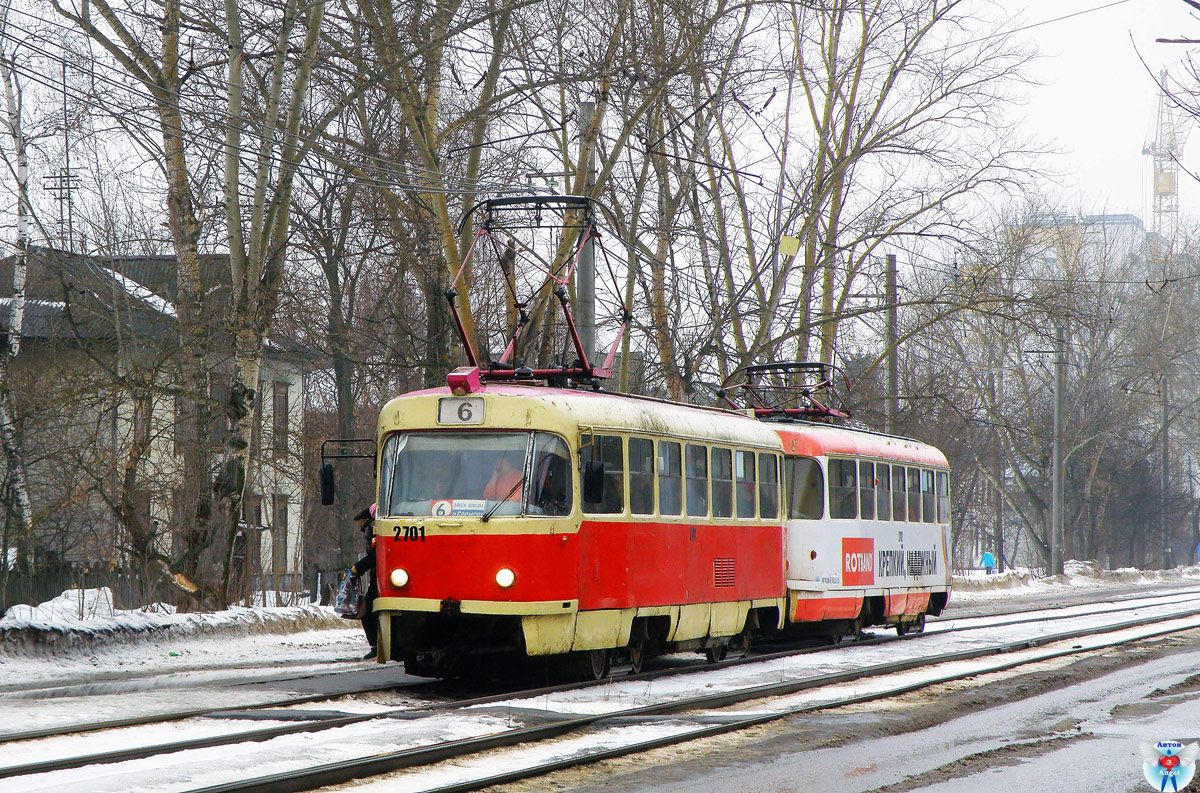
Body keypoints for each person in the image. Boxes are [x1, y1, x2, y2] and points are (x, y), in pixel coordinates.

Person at [348, 503, 378, 658]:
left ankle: (376, 645)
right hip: (379, 575)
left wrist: (357, 568)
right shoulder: (374, 526)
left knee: (368, 610)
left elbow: (375, 556)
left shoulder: (374, 528)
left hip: (379, 576)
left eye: (361, 524)